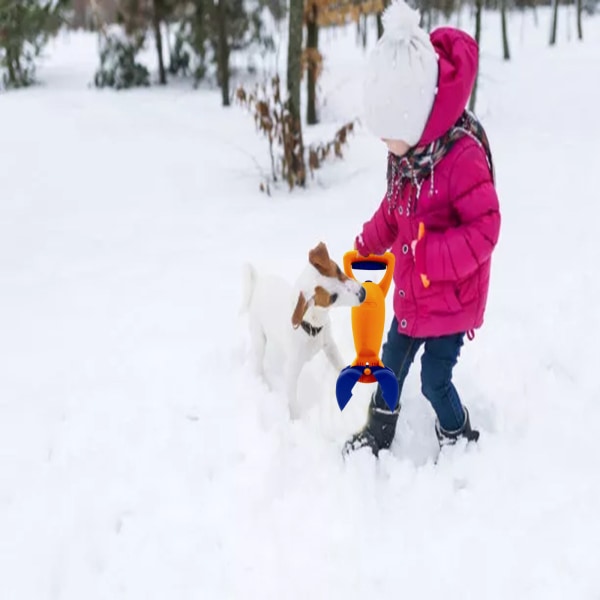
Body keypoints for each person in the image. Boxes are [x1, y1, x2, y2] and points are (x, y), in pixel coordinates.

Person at [343, 0, 501, 457]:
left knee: (435, 380)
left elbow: (486, 226)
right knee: (389, 364)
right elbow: (395, 211)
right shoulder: (409, 159)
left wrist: (432, 257)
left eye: (390, 132)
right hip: (414, 294)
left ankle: (457, 431)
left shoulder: (461, 159)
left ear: (416, 118)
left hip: (450, 297)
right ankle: (379, 431)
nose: (385, 145)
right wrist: (368, 241)